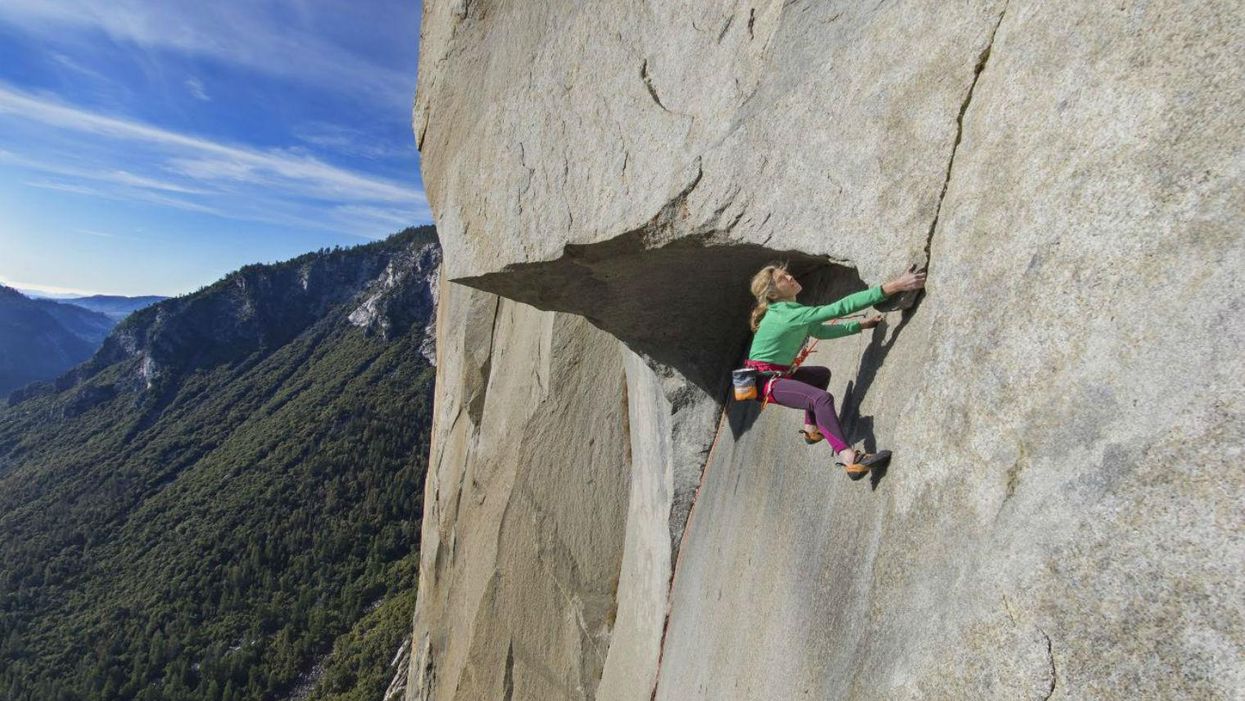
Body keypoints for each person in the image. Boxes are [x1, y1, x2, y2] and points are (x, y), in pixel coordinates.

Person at [745, 263, 927, 480]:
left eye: (788, 273)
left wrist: (859, 326)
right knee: (821, 399)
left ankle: (812, 429)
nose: (791, 276)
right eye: (784, 277)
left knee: (820, 375)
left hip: (773, 376)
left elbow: (819, 331)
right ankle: (850, 458)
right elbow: (841, 307)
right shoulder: (786, 314)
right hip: (764, 384)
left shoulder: (787, 312)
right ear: (773, 293)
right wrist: (896, 286)